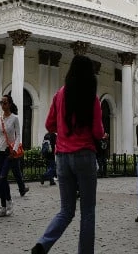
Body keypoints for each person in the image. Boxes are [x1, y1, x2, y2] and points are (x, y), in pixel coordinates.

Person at [31, 55, 104, 254]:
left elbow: (49, 124)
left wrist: (63, 130)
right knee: (87, 211)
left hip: (62, 157)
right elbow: (98, 132)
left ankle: (43, 244)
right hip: (84, 156)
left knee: (66, 210)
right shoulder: (92, 98)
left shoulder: (60, 94)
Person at [0, 94, 21, 217]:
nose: (2, 105)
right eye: (1, 102)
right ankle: (4, 206)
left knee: (2, 178)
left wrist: (15, 150)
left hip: (9, 152)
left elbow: (18, 136)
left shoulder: (15, 118)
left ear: (10, 104)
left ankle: (9, 203)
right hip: (0, 151)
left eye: (5, 102)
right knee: (2, 179)